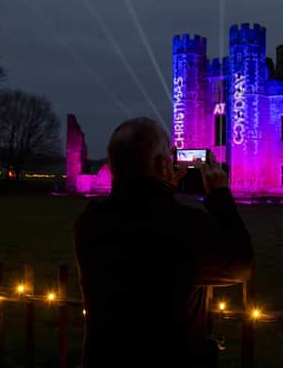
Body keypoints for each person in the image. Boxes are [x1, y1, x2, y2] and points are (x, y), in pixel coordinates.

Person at [74, 117, 253, 368]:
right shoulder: (185, 223)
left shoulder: (90, 222)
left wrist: (162, 187)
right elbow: (241, 264)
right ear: (163, 164)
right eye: (168, 157)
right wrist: (219, 195)